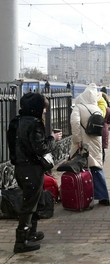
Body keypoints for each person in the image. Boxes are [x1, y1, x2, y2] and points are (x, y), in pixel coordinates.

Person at [7, 93, 62, 253]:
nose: (45, 112)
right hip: (31, 170)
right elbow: (41, 148)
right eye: (43, 108)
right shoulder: (35, 124)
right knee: (29, 205)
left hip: (20, 167)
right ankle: (21, 241)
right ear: (37, 108)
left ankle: (31, 233)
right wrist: (53, 138)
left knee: (34, 201)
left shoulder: (16, 121)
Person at [71, 84, 110, 207]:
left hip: (83, 142)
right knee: (97, 168)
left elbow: (75, 123)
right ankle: (103, 196)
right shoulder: (97, 109)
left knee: (79, 167)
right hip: (96, 142)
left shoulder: (78, 107)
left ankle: (82, 195)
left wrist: (77, 140)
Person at [100, 92, 110, 162]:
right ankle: (102, 163)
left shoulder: (95, 107)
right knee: (102, 148)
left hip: (95, 129)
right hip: (104, 129)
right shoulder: (107, 109)